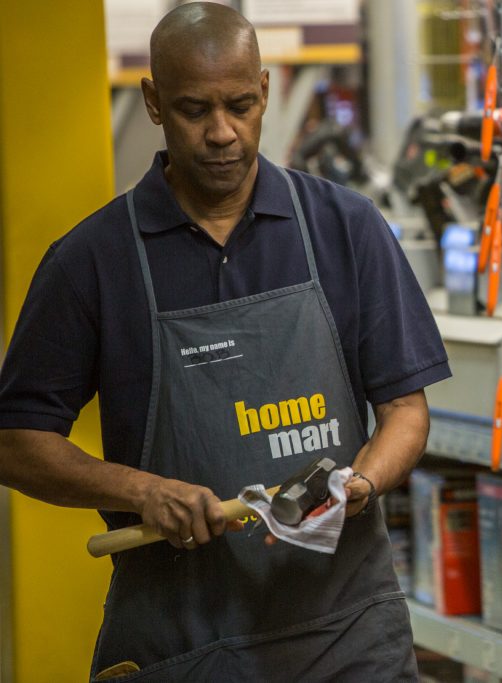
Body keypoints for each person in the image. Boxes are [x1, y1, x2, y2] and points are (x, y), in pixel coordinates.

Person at [0, 3, 449, 680]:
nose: (222, 132)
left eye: (241, 105)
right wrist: (140, 488)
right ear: (153, 102)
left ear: (266, 91)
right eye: (193, 109)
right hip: (185, 648)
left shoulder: (345, 228)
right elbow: (15, 441)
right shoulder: (93, 261)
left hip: (348, 639)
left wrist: (363, 479)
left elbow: (406, 412)